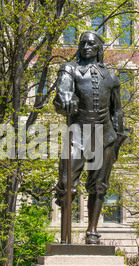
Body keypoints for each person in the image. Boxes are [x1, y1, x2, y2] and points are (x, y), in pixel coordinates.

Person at [53, 30, 125, 245]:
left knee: (99, 185)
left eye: (91, 44)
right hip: (78, 132)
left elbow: (117, 110)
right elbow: (63, 88)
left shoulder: (111, 77)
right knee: (67, 184)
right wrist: (65, 95)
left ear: (98, 48)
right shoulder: (70, 69)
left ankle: (92, 232)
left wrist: (119, 137)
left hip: (105, 135)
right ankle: (65, 235)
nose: (86, 47)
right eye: (82, 43)